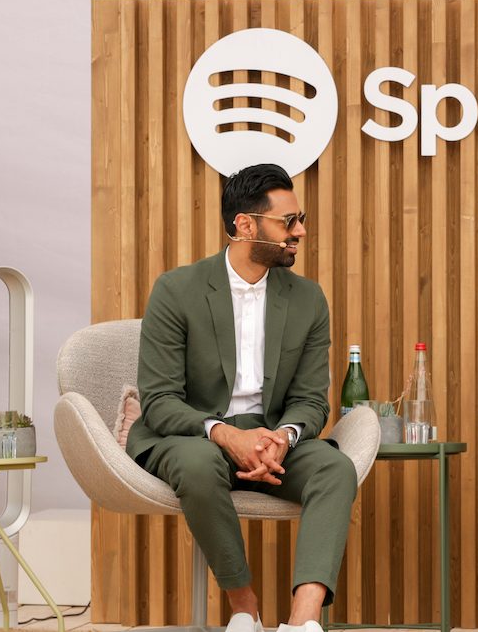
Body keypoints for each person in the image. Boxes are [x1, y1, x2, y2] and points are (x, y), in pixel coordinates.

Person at [129, 163, 356, 632]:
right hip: (193, 435)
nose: (301, 232)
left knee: (335, 468)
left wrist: (284, 437)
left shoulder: (309, 299)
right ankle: (243, 606)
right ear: (244, 225)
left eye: (301, 219)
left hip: (272, 440)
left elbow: (312, 400)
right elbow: (160, 399)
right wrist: (226, 434)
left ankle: (303, 619)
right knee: (197, 463)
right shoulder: (176, 290)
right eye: (288, 222)